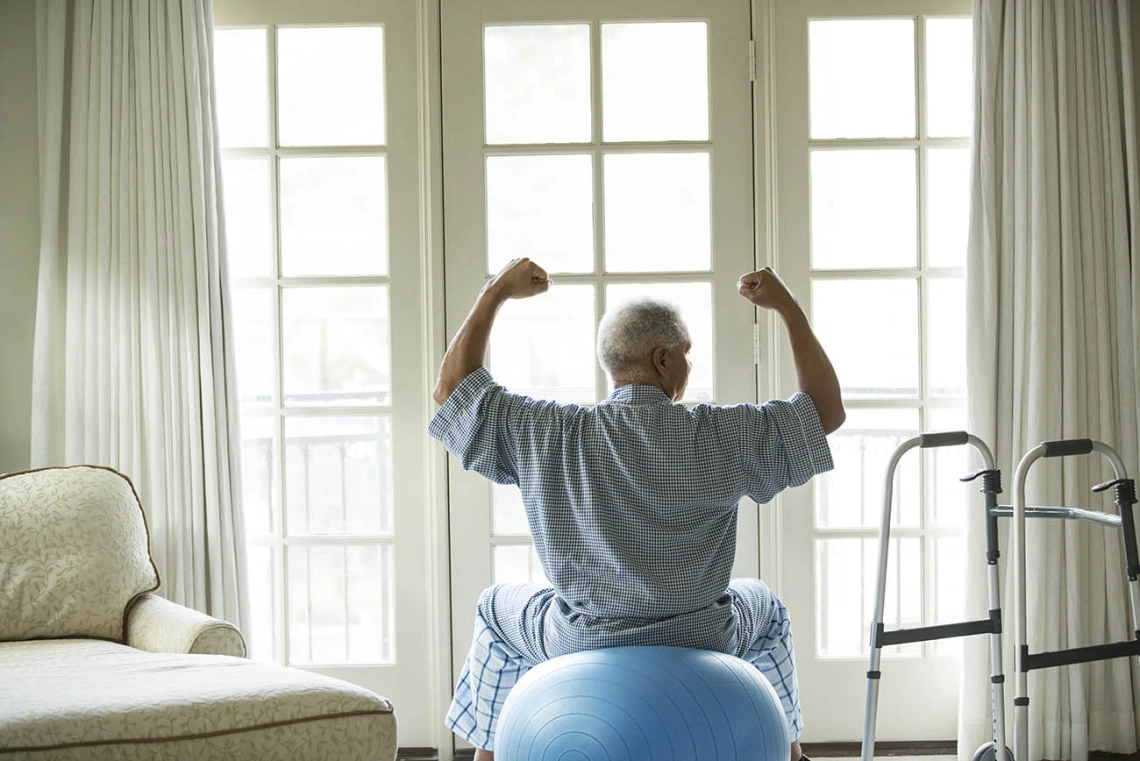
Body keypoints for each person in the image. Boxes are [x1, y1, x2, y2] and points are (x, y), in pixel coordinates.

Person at [430, 258, 845, 761]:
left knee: (494, 607)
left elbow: (452, 391)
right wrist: (787, 308)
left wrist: (495, 292)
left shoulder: (552, 433)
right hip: (702, 636)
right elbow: (825, 409)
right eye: (686, 356)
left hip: (580, 640)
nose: (689, 369)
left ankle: (489, 757)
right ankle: (792, 754)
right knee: (766, 605)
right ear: (663, 359)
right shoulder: (716, 435)